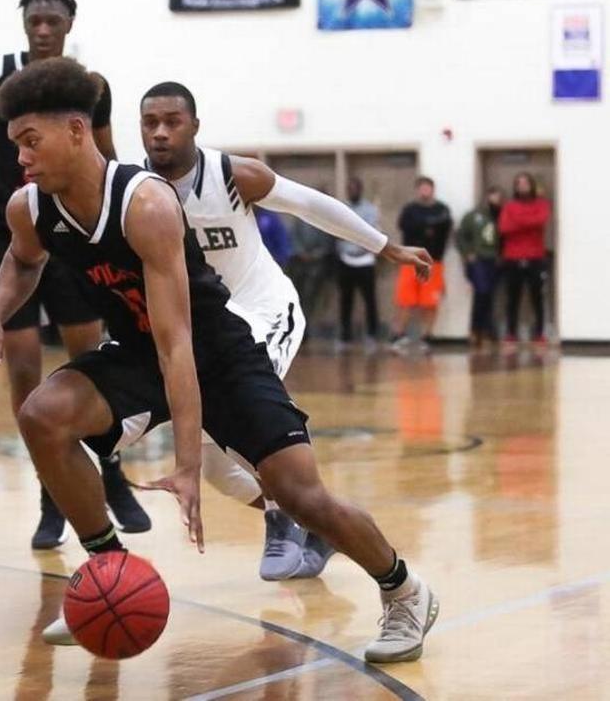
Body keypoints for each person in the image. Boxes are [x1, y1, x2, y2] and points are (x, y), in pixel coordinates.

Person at [0, 58, 437, 663]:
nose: (20, 158)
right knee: (41, 415)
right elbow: (24, 260)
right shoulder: (29, 207)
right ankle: (109, 574)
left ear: (77, 131)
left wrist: (188, 464)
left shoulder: (145, 204)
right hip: (139, 352)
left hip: (217, 348)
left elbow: (178, 343)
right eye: (15, 146)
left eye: (31, 142)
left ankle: (405, 591)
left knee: (299, 495)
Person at [135, 82, 429, 583]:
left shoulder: (231, 175)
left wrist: (386, 248)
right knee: (216, 470)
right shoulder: (135, 190)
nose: (160, 133)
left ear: (195, 126)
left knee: (250, 408)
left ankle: (281, 514)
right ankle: (312, 522)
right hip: (205, 328)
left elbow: (310, 205)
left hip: (265, 308)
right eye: (150, 123)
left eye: (172, 121)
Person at [0, 0, 147, 549]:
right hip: (10, 230)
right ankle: (49, 492)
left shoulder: (88, 88)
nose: (41, 29)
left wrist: (122, 217)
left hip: (74, 232)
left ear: (68, 24)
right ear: (23, 23)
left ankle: (111, 475)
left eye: (51, 20)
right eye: (33, 19)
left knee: (92, 360)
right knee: (25, 368)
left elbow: (107, 157)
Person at [389, 177, 452, 353]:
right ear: (417, 190)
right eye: (422, 188)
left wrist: (427, 228)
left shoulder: (442, 209)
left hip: (434, 262)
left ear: (433, 189)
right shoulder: (410, 209)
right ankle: (398, 335)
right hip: (410, 261)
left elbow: (444, 229)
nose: (425, 191)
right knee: (405, 300)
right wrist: (426, 227)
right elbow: (405, 227)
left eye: (428, 188)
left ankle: (427, 336)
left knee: (430, 302)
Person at [499, 172, 551, 347]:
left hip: (536, 257)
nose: (522, 186)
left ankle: (539, 333)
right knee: (513, 297)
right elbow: (504, 228)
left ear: (532, 185)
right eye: (519, 183)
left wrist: (519, 221)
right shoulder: (509, 206)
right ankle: (511, 333)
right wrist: (528, 222)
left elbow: (541, 220)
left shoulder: (542, 204)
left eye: (525, 182)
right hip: (512, 257)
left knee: (537, 297)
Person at [337, 177, 382, 347]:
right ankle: (345, 334)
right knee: (345, 299)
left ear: (361, 190)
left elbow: (371, 231)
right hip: (345, 259)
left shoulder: (370, 209)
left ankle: (372, 333)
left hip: (365, 260)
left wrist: (361, 248)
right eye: (350, 188)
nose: (352, 191)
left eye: (355, 188)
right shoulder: (341, 208)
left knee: (370, 299)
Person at [456, 186, 503, 347]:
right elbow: (461, 235)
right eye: (492, 195)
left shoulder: (501, 216)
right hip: (478, 260)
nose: (495, 199)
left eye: (498, 196)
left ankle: (488, 329)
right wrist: (467, 253)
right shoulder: (473, 216)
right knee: (481, 292)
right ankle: (476, 329)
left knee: (490, 295)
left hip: (494, 260)